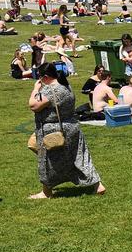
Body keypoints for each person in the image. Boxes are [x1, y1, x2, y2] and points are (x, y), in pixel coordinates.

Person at [27, 63, 105, 199]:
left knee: (47, 160)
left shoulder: (50, 90)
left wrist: (35, 89)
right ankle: (98, 185)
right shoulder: (66, 86)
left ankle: (46, 192)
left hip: (53, 131)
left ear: (45, 77)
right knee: (80, 157)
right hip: (72, 127)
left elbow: (33, 105)